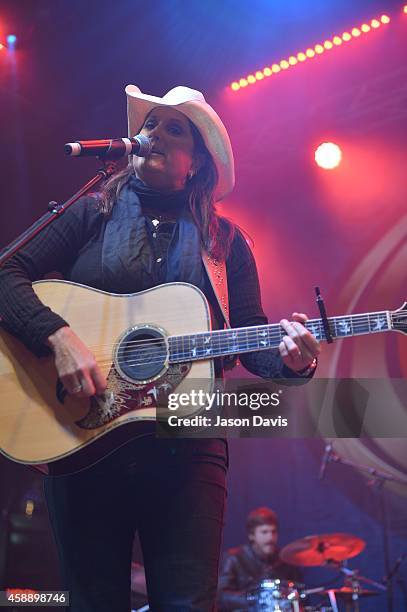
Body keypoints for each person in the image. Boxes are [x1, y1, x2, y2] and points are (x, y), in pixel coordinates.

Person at [0, 84, 320, 611]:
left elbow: (251, 340)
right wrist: (56, 337)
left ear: (196, 165)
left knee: (188, 603)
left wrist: (295, 359)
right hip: (84, 443)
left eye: (176, 130)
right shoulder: (91, 212)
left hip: (187, 447)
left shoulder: (226, 242)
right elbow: (7, 272)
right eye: (152, 125)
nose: (155, 135)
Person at [218, 507, 302, 610]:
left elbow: (299, 593)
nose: (270, 538)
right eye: (264, 532)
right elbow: (221, 596)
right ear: (251, 535)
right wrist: (255, 599)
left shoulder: (285, 560)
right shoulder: (233, 558)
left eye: (273, 532)